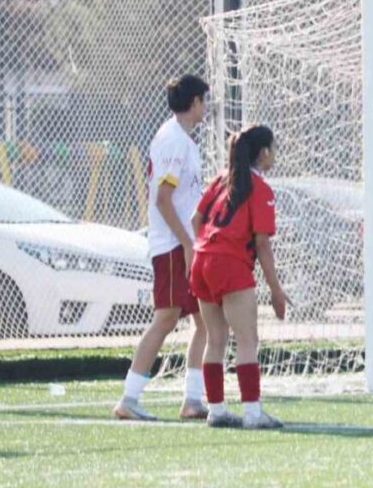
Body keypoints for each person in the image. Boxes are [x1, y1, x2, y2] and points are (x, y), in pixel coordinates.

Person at [113, 75, 210, 422]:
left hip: (186, 244)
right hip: (171, 246)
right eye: (204, 100)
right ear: (195, 102)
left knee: (207, 321)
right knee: (166, 318)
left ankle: (193, 399)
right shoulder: (173, 140)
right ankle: (129, 397)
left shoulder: (185, 140)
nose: (206, 107)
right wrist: (186, 243)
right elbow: (164, 200)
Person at [190, 125, 287, 429]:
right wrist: (276, 289)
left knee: (216, 339)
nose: (276, 153)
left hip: (202, 259)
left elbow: (196, 219)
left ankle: (216, 410)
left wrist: (210, 248)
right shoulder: (261, 189)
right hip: (229, 263)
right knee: (247, 340)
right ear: (263, 153)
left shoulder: (221, 179)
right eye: (274, 147)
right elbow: (262, 244)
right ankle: (252, 413)